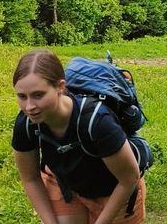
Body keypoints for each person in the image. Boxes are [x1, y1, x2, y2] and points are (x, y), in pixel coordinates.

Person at [11, 49, 146, 224]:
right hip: (65, 185)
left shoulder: (97, 122)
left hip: (115, 189)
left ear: (60, 87)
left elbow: (129, 179)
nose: (29, 106)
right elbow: (30, 179)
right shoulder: (26, 124)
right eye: (22, 96)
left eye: (38, 95)